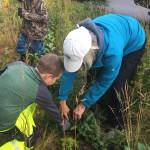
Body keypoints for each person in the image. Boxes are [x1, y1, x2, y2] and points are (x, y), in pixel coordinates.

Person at [59, 14, 146, 129]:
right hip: (118, 30)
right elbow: (70, 70)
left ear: (91, 51)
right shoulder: (75, 40)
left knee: (117, 86)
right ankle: (98, 102)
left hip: (134, 40)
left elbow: (104, 81)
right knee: (93, 74)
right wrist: (62, 100)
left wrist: (83, 104)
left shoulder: (112, 53)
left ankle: (118, 124)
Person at [0, 54, 64, 149]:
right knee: (30, 138)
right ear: (49, 77)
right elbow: (53, 111)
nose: (55, 82)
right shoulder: (41, 90)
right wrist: (63, 124)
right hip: (3, 126)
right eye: (56, 79)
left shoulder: (19, 64)